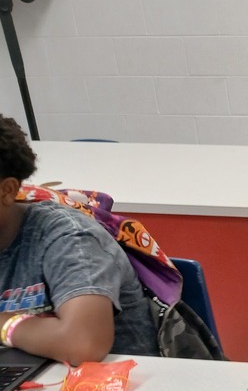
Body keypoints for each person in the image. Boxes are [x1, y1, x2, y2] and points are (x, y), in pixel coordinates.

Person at [0, 115, 159, 364]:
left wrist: (4, 324)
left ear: (7, 190)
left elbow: (83, 344)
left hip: (110, 389)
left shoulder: (70, 238)